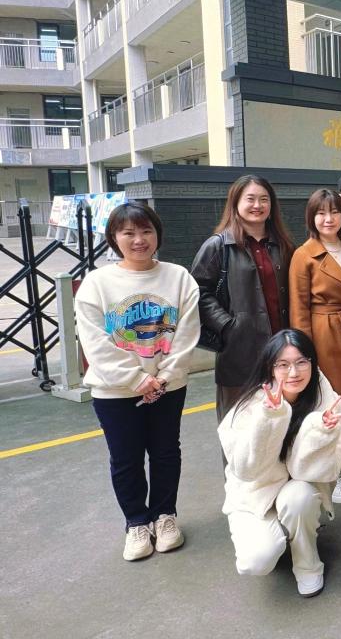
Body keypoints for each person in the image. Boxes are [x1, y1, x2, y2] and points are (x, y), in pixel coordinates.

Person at [75, 202, 200, 561]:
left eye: (146, 231)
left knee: (165, 451)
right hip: (114, 391)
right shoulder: (97, 284)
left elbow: (187, 332)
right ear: (114, 238)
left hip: (167, 386)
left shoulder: (179, 277)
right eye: (128, 233)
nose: (139, 239)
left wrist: (165, 376)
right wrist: (136, 378)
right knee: (126, 458)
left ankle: (165, 516)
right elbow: (95, 342)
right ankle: (136, 523)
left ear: (157, 234)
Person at [218, 329, 341, 598]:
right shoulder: (251, 406)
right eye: (283, 364)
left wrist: (319, 431)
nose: (293, 372)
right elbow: (246, 471)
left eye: (301, 362)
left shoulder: (326, 401)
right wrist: (270, 419)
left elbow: (323, 471)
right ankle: (282, 532)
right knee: (256, 561)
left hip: (297, 490)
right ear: (270, 367)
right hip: (255, 494)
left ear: (312, 362)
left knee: (299, 496)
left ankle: (308, 563)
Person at [192, 174, 294, 422]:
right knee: (239, 424)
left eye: (264, 199)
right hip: (239, 351)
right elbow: (197, 292)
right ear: (235, 203)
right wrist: (228, 325)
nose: (257, 205)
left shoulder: (283, 246)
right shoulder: (218, 246)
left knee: (282, 422)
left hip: (281, 349)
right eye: (250, 199)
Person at [289, 188, 341, 505]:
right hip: (324, 336)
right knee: (329, 404)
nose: (328, 219)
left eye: (334, 212)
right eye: (321, 213)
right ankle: (336, 473)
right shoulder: (304, 255)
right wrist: (305, 355)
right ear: (312, 218)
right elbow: (299, 309)